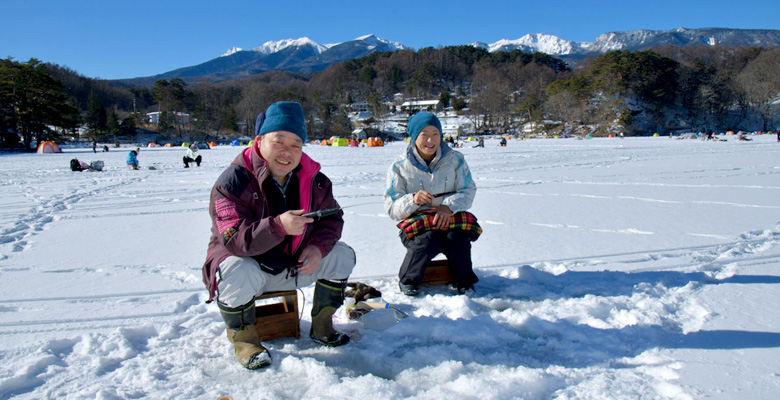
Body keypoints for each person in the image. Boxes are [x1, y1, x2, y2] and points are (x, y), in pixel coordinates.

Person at [201, 101, 356, 370]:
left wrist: (318, 248)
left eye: (296, 144)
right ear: (259, 140)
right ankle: (246, 341)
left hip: (295, 264)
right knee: (236, 268)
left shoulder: (315, 180)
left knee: (342, 254)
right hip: (253, 271)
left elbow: (332, 219)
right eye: (279, 141)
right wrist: (278, 226)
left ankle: (322, 326)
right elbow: (233, 239)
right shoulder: (232, 182)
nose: (287, 152)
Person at [384, 112, 480, 297]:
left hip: (449, 218)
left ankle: (464, 281)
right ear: (413, 136)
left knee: (457, 238)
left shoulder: (455, 160)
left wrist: (448, 206)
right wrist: (412, 200)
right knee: (428, 239)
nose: (431, 140)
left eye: (435, 133)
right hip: (417, 226)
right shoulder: (399, 167)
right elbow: (392, 208)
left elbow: (468, 191)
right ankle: (408, 281)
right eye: (424, 134)